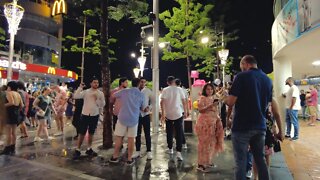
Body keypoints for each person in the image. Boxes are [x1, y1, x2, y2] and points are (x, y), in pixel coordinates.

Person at [223, 55, 272, 180]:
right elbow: (269, 103)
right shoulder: (267, 80)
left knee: (240, 162)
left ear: (245, 63)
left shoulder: (241, 76)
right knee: (260, 160)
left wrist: (224, 97)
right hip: (260, 126)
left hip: (242, 126)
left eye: (241, 66)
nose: (242, 68)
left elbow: (230, 102)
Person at [109, 78, 147, 166]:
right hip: (133, 119)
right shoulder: (141, 95)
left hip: (122, 117)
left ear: (131, 83)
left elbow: (113, 95)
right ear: (138, 84)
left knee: (119, 137)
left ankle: (115, 156)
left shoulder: (124, 91)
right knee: (131, 139)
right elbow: (142, 108)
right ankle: (129, 159)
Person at [73, 77, 105, 159]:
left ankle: (89, 148)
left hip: (95, 115)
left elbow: (102, 104)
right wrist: (80, 87)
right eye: (94, 82)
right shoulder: (86, 92)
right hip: (85, 115)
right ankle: (78, 149)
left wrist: (97, 99)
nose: (96, 84)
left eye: (97, 83)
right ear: (91, 83)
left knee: (91, 132)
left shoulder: (100, 93)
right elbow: (76, 96)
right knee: (82, 133)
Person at [195, 83, 224, 172]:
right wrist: (211, 106)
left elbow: (216, 111)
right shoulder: (202, 98)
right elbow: (200, 110)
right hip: (203, 124)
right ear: (205, 90)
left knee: (211, 143)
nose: (210, 91)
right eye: (208, 89)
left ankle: (207, 161)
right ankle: (200, 164)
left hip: (213, 124)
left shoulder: (214, 98)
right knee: (203, 144)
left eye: (211, 89)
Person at [252, 98, 284, 179]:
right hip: (258, 130)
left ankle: (261, 176)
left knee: (262, 156)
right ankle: (257, 177)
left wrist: (280, 131)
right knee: (258, 156)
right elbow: (277, 115)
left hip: (265, 131)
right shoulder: (267, 99)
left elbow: (277, 115)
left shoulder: (271, 100)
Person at [160, 76, 188, 161]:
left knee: (169, 132)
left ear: (168, 82)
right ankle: (179, 152)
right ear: (174, 81)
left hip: (168, 114)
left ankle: (170, 149)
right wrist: (186, 112)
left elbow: (162, 102)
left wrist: (163, 113)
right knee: (178, 133)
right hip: (178, 113)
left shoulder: (165, 90)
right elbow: (184, 101)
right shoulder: (179, 89)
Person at [132, 77, 153, 160]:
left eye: (144, 82)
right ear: (138, 82)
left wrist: (149, 107)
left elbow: (153, 101)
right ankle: (137, 151)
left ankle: (149, 151)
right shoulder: (134, 91)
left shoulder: (148, 91)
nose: (142, 83)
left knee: (147, 134)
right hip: (137, 115)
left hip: (146, 115)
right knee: (137, 134)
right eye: (141, 82)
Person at [0, 81, 24, 155]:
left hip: (9, 113)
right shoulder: (18, 94)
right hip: (16, 114)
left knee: (8, 132)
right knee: (14, 132)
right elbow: (22, 105)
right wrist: (16, 110)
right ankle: (12, 147)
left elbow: (11, 102)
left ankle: (7, 148)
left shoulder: (9, 93)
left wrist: (3, 105)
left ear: (9, 87)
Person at [175, 78, 188, 149]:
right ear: (180, 83)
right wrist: (187, 111)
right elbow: (186, 101)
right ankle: (182, 142)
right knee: (180, 127)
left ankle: (182, 142)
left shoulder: (173, 90)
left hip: (176, 110)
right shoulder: (183, 90)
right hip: (182, 110)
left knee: (178, 128)